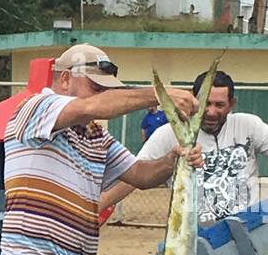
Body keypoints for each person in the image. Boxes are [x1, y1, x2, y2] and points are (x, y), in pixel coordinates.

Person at [1, 43, 201, 255]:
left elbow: (141, 175)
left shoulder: (95, 135)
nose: (103, 96)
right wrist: (159, 95)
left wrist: (174, 160)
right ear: (65, 79)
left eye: (106, 89)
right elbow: (91, 106)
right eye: (96, 87)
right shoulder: (36, 108)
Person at [102, 70, 268, 225]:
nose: (211, 112)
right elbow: (134, 176)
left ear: (232, 104)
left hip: (247, 231)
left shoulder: (248, 126)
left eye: (219, 105)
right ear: (193, 100)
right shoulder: (170, 133)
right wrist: (96, 209)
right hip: (193, 237)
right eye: (206, 104)